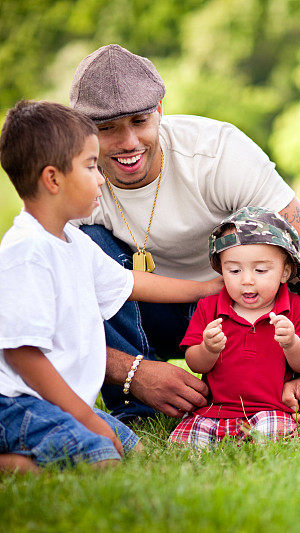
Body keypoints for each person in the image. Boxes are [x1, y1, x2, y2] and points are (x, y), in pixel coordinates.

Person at [68, 44, 300, 423]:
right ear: (81, 129)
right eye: (106, 129)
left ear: (160, 110)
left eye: (139, 122)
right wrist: (132, 371)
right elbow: (51, 306)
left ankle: (275, 381)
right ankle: (138, 406)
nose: (128, 142)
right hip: (146, 312)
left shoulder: (218, 153)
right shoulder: (68, 180)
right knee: (83, 252)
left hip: (241, 302)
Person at [0, 101, 223, 472]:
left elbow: (130, 282)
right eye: (90, 166)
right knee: (101, 458)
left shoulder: (71, 242)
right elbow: (23, 355)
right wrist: (86, 419)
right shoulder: (28, 252)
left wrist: (205, 289)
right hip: (16, 402)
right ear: (53, 179)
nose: (101, 177)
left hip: (54, 403)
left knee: (133, 449)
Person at [169, 207, 300, 447]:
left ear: (285, 272)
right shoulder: (210, 308)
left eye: (260, 270)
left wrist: (292, 343)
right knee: (183, 445)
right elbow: (194, 363)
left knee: (276, 441)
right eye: (234, 270)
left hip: (272, 410)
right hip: (215, 411)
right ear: (221, 270)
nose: (247, 280)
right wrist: (208, 348)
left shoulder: (296, 309)